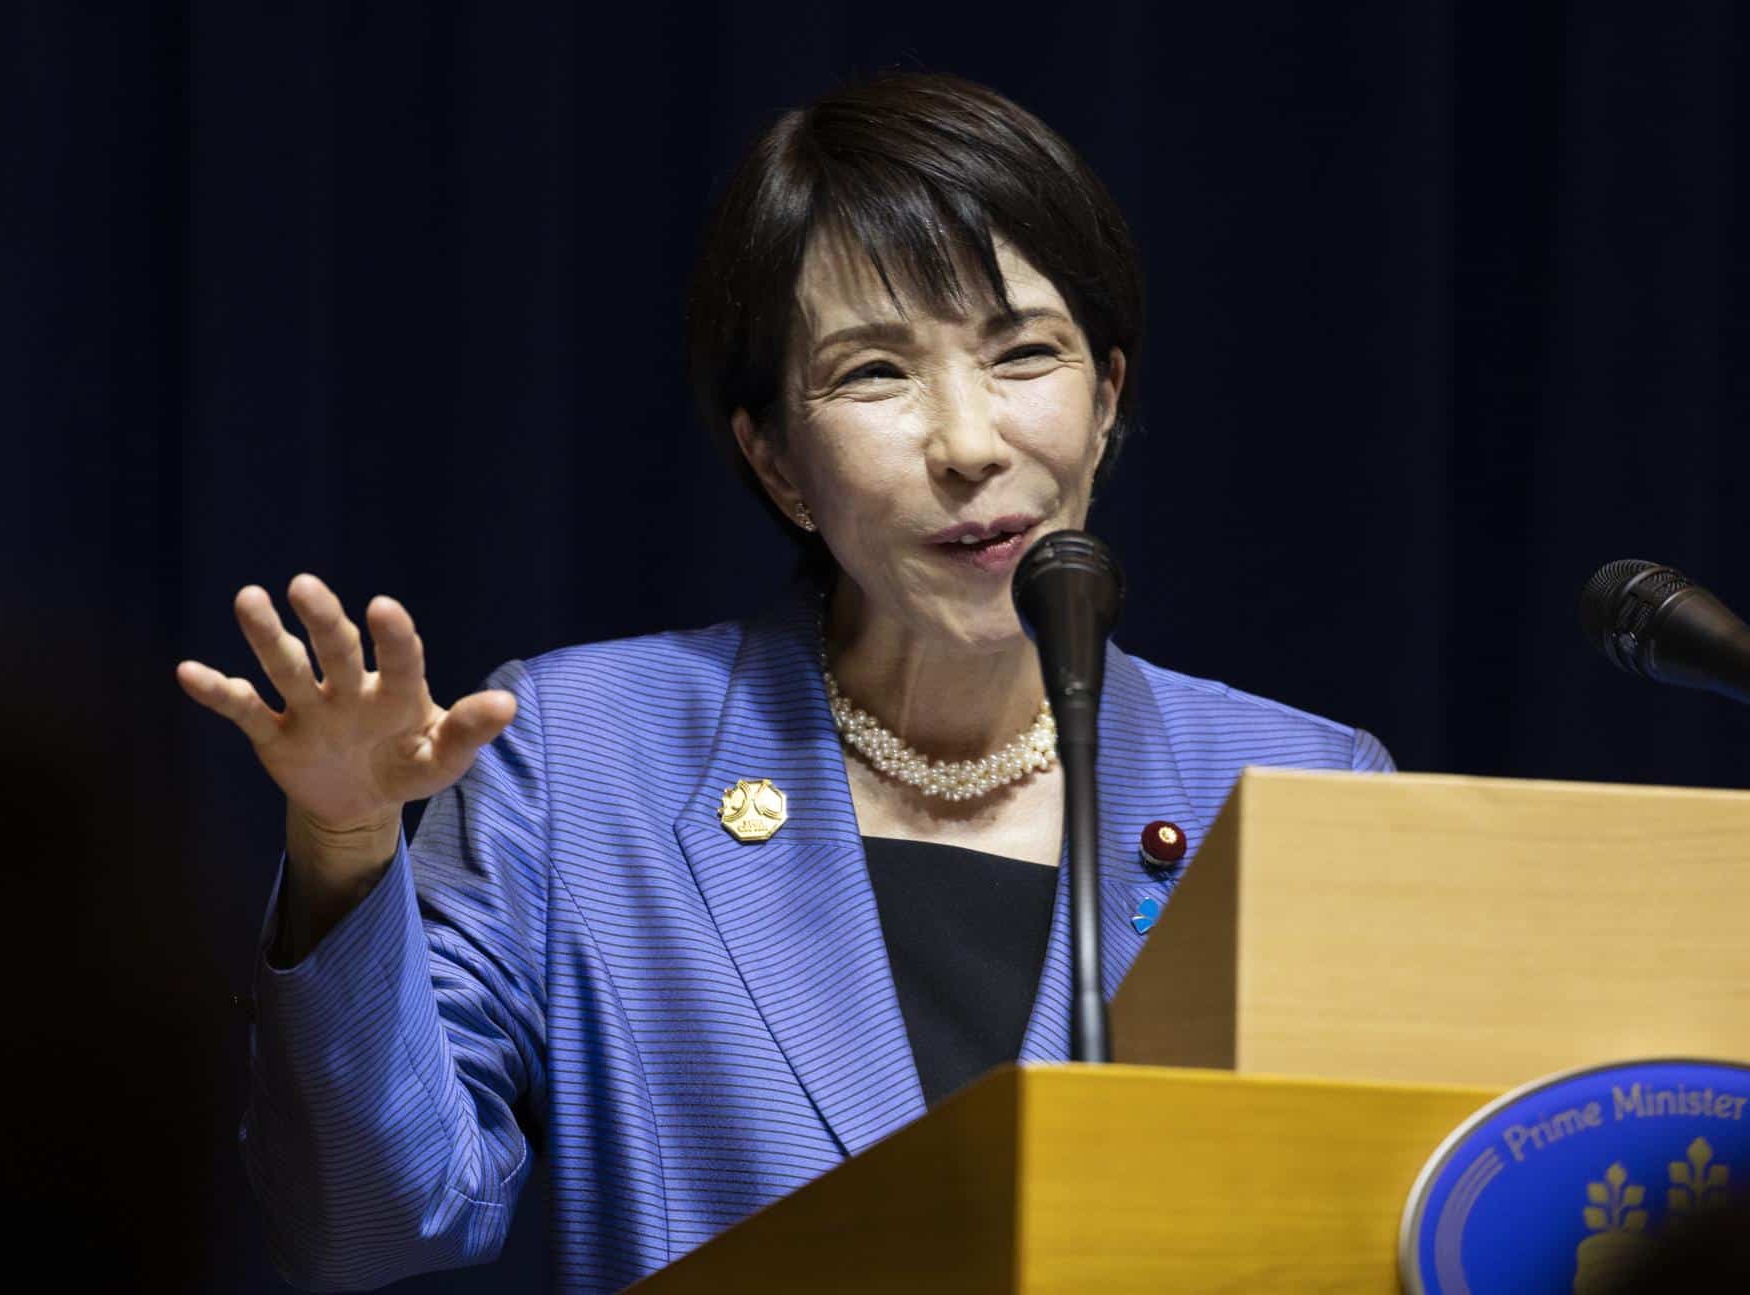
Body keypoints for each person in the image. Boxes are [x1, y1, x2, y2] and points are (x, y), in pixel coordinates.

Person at [175, 72, 1393, 1293]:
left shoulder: (1298, 789)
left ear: (1108, 397)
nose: (970, 443)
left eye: (1026, 353)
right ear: (776, 461)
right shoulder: (585, 756)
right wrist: (345, 842)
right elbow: (372, 1224)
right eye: (875, 374)